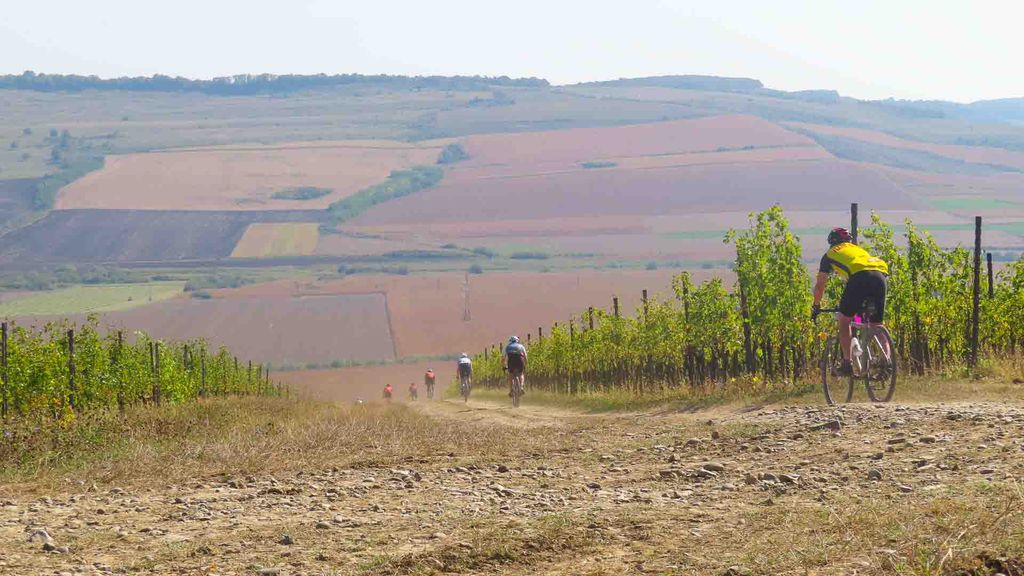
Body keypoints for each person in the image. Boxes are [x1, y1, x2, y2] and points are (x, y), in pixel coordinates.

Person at [811, 227, 889, 376]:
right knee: (876, 324)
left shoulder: (830, 254)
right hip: (880, 275)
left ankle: (847, 363)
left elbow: (820, 286)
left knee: (844, 319)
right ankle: (887, 362)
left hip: (860, 277)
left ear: (831, 242)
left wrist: (816, 305)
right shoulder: (857, 250)